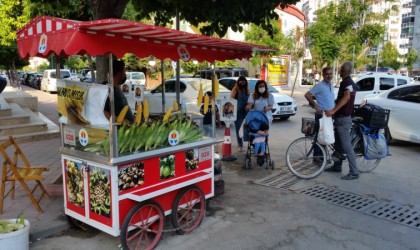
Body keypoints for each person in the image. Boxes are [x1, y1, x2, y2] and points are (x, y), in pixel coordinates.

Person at [325, 61, 359, 180]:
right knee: (338, 145)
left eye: (340, 69)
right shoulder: (350, 83)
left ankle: (354, 172)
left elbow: (346, 97)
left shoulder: (346, 82)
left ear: (344, 71)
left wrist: (333, 110)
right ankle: (337, 166)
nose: (338, 71)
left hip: (343, 120)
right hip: (342, 119)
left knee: (346, 147)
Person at [304, 66, 335, 163]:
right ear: (323, 75)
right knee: (319, 136)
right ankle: (316, 157)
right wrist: (315, 106)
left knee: (325, 136)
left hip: (329, 115)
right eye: (327, 74)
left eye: (330, 74)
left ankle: (322, 156)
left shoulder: (330, 85)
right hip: (321, 115)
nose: (329, 76)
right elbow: (307, 95)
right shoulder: (320, 86)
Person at [230, 76, 250, 152]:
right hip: (238, 112)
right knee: (238, 129)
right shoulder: (235, 89)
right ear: (238, 82)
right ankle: (240, 145)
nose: (242, 83)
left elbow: (250, 100)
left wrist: (248, 106)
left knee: (248, 127)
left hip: (247, 111)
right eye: (240, 81)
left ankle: (251, 143)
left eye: (243, 81)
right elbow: (231, 99)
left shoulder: (247, 90)